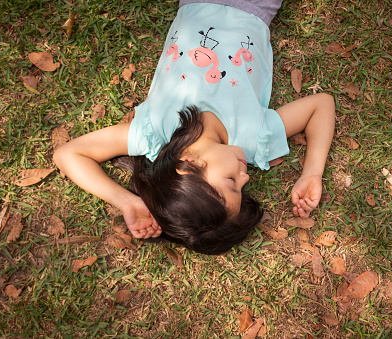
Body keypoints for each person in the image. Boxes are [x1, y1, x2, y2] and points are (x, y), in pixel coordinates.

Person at [53, 0, 335, 255]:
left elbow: (68, 155)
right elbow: (321, 105)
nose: (246, 177)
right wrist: (312, 172)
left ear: (187, 166)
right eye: (242, 188)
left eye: (231, 182)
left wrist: (127, 202)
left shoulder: (153, 132)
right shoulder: (255, 138)